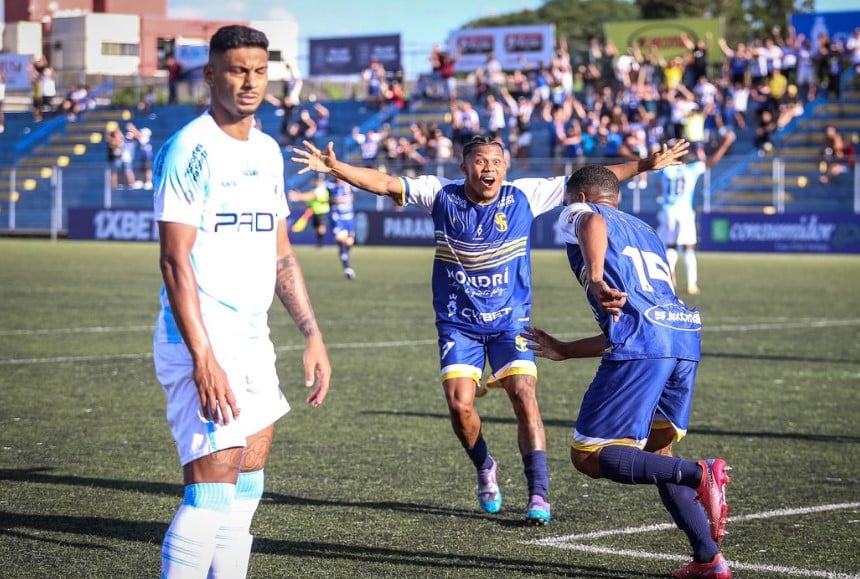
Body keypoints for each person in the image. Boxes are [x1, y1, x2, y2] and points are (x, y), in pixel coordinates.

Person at [290, 133, 690, 525]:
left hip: (509, 321)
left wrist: (644, 165)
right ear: (464, 166)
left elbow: (589, 182)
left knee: (524, 393)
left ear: (506, 167)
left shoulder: (524, 196)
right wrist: (336, 168)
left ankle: (538, 493)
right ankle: (485, 465)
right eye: (481, 161)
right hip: (458, 323)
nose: (490, 168)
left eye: (497, 162)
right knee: (459, 403)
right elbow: (383, 182)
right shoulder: (440, 193)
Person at [152, 25, 331, 579]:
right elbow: (174, 261)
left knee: (248, 483)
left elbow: (281, 253)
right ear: (210, 75)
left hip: (254, 339)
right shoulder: (189, 148)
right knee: (211, 491)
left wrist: (311, 333)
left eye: (258, 70)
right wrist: (204, 357)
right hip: (203, 337)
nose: (249, 81)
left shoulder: (268, 150)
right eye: (236, 70)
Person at [521, 164, 732, 579]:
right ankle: (709, 559)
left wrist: (596, 277)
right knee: (657, 453)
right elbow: (638, 320)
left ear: (579, 196)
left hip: (647, 346)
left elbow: (591, 219)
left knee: (589, 455)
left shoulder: (584, 212)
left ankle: (700, 473)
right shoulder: (649, 233)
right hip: (681, 340)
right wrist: (565, 349)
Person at [656, 130, 736, 295]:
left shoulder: (665, 170)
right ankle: (692, 284)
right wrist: (725, 144)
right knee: (688, 247)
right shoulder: (690, 169)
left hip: (667, 210)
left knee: (670, 246)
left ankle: (670, 278)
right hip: (684, 211)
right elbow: (710, 162)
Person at [288, 173, 331, 247]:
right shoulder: (316, 189)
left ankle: (321, 243)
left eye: (320, 181)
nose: (318, 182)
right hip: (314, 211)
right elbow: (310, 199)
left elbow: (310, 196)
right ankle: (319, 243)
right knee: (316, 228)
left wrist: (297, 196)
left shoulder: (321, 189)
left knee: (321, 228)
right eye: (317, 180)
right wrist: (300, 196)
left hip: (322, 212)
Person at [328, 176, 357, 279]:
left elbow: (355, 195)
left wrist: (349, 198)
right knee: (341, 238)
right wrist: (336, 201)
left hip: (349, 218)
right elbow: (328, 199)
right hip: (337, 218)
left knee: (349, 242)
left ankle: (344, 257)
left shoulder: (348, 184)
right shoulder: (330, 185)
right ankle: (347, 267)